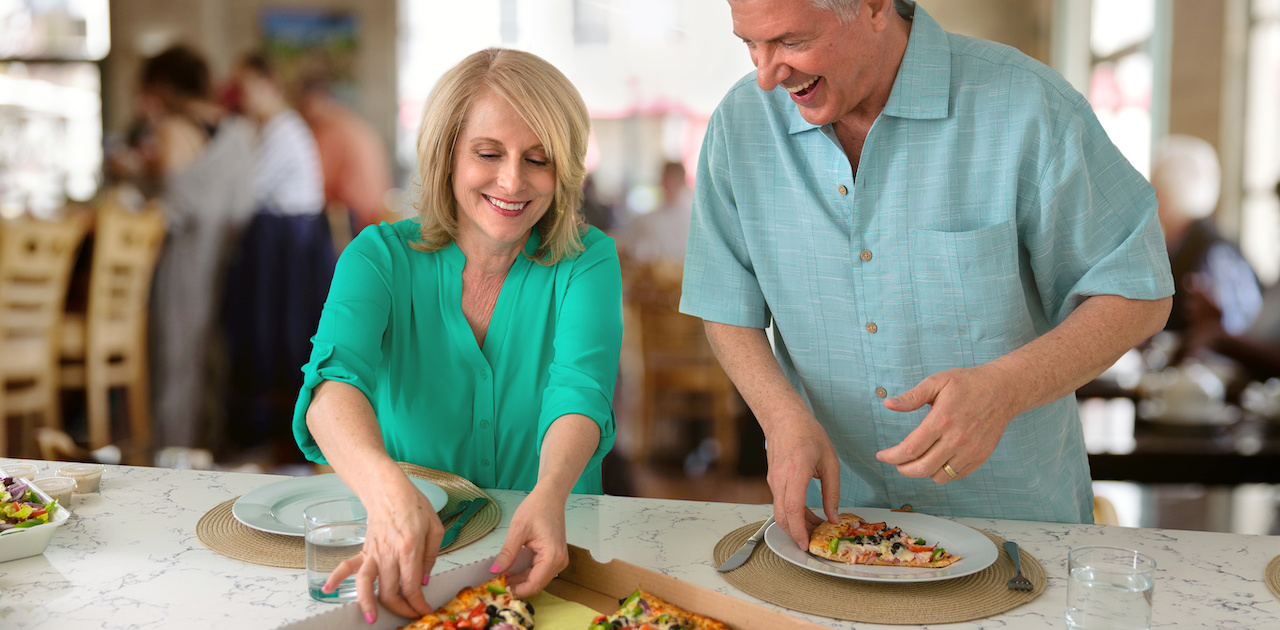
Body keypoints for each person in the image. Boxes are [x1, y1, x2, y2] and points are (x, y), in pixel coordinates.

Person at [680, 0, 1174, 548]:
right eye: (749, 44)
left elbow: (1138, 291)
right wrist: (779, 415)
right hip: (842, 532)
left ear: (872, 7)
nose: (767, 75)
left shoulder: (1029, 105)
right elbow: (725, 306)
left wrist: (1005, 388)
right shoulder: (739, 125)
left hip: (1020, 535)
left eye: (791, 42)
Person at [294, 48, 622, 622]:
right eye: (488, 154)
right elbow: (331, 387)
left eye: (538, 159)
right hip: (414, 557)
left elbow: (580, 391)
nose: (513, 181)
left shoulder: (587, 260)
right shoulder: (378, 256)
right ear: (446, 155)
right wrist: (388, 494)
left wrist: (549, 494)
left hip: (550, 553)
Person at [138, 45, 255, 449]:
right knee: (211, 357)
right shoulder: (239, 131)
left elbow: (170, 209)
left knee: (176, 356)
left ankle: (173, 448)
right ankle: (208, 443)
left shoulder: (174, 128)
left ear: (164, 86)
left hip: (186, 263)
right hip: (229, 259)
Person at [222, 53, 332, 462]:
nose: (240, 97)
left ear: (269, 85)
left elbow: (246, 191)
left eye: (246, 87)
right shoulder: (268, 129)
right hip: (280, 243)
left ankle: (275, 435)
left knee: (268, 331)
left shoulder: (284, 129)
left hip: (287, 247)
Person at [1153, 135, 1262, 336]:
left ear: (1168, 195)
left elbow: (1236, 331)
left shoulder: (1216, 252)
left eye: (1155, 189)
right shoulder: (1175, 246)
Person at [297, 75, 395, 232]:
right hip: (378, 214)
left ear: (321, 99)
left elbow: (314, 183)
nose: (302, 112)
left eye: (304, 104)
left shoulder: (329, 130)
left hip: (353, 219)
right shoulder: (354, 123)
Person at [616, 161, 695, 265]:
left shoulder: (692, 218)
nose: (668, 185)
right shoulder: (648, 220)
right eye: (666, 180)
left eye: (672, 180)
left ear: (681, 182)